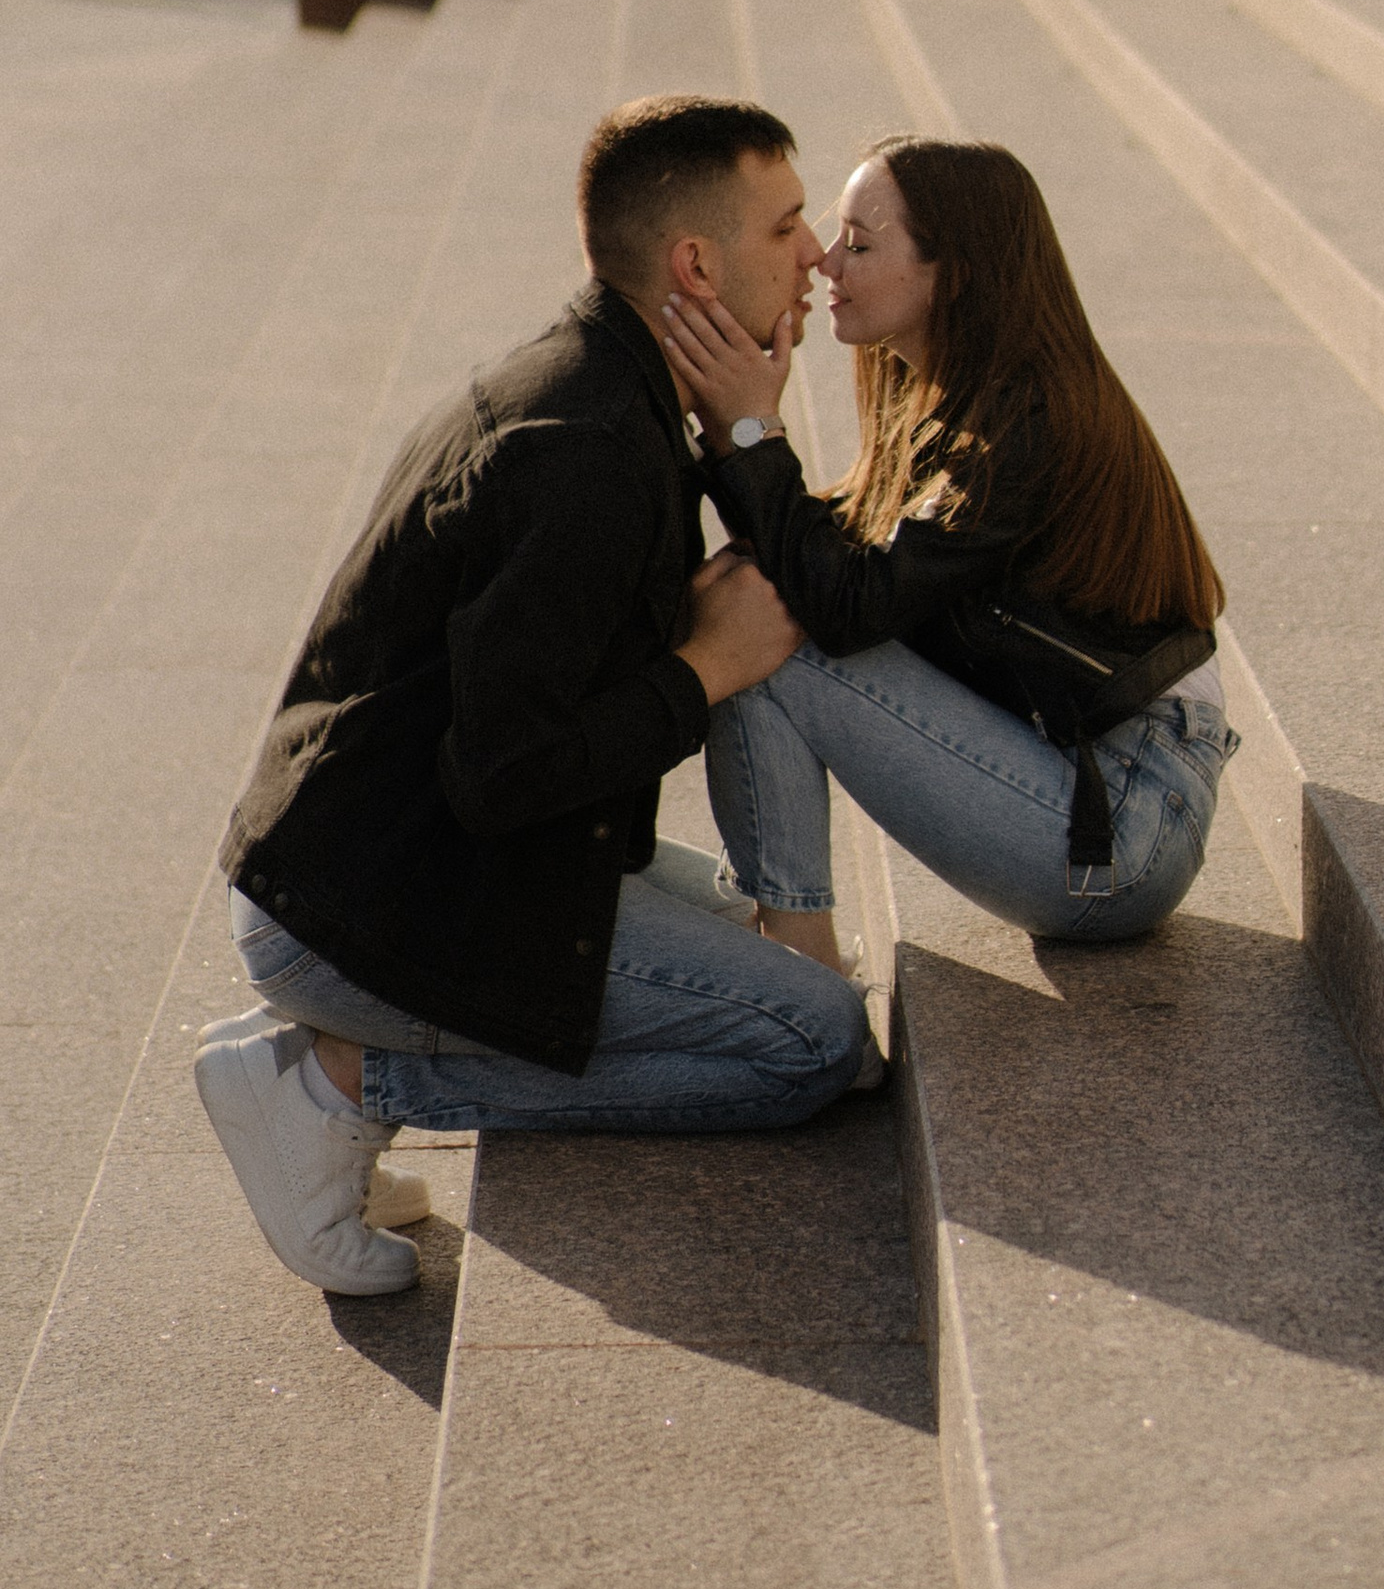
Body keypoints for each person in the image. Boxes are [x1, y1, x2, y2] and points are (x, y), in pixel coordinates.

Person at [199, 94, 880, 1302]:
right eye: (787, 227)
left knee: (744, 954)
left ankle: (343, 1076)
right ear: (694, 263)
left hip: (384, 862)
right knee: (808, 1042)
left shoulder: (597, 386)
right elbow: (503, 774)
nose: (818, 253)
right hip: (373, 909)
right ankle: (339, 1086)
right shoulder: (584, 450)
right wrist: (704, 670)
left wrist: (740, 441)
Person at [660, 135, 1238, 957]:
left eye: (860, 244)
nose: (826, 261)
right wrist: (735, 439)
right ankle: (783, 937)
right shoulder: (942, 389)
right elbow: (827, 563)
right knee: (760, 603)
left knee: (770, 642)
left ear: (953, 274)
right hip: (1086, 773)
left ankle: (798, 962)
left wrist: (750, 433)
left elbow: (847, 606)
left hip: (1124, 818)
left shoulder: (1028, 424)